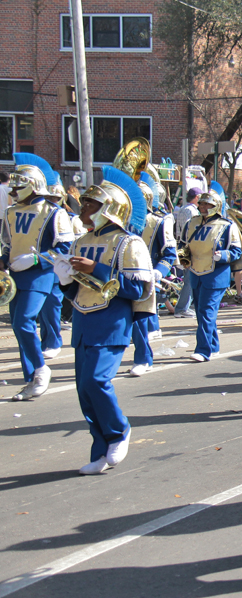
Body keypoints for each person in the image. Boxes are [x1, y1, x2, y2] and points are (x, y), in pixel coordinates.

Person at [54, 166, 154, 474]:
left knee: (96, 381)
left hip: (111, 321)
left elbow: (138, 288)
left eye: (90, 204)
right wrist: (64, 279)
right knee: (84, 390)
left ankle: (119, 431)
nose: (83, 208)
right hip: (84, 320)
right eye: (84, 203)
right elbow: (74, 291)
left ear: (109, 208)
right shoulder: (80, 241)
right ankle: (99, 451)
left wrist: (94, 268)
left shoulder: (129, 243)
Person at [2, 154, 74, 401]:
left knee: (23, 321)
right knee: (17, 324)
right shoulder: (11, 212)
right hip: (14, 276)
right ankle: (31, 377)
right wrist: (3, 262)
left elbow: (65, 248)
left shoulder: (54, 212)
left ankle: (41, 370)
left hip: (40, 275)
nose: (13, 191)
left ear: (32, 186)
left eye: (18, 186)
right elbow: (7, 244)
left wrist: (34, 259)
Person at [184, 186, 242, 362]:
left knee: (206, 312)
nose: (203, 207)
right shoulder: (192, 223)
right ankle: (213, 345)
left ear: (216, 206)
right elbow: (184, 244)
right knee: (202, 312)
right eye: (201, 204)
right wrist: (183, 259)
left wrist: (223, 255)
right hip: (196, 272)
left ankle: (203, 350)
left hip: (216, 274)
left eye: (207, 205)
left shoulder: (227, 226)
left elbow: (236, 251)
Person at [129, 171, 177, 376]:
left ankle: (142, 358)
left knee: (138, 319)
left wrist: (158, 272)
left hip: (145, 279)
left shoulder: (159, 221)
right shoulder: (118, 221)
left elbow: (169, 253)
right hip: (120, 276)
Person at [37, 174, 69, 361]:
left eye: (56, 199)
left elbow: (64, 246)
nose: (53, 201)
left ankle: (53, 341)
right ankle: (45, 341)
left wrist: (39, 259)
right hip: (35, 268)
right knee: (39, 311)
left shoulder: (62, 215)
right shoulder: (38, 214)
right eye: (49, 198)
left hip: (53, 267)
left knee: (51, 306)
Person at [174, 187, 201, 318]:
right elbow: (191, 229)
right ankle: (182, 308)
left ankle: (183, 306)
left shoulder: (183, 209)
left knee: (188, 277)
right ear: (196, 197)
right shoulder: (192, 211)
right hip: (188, 246)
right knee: (190, 278)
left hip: (181, 245)